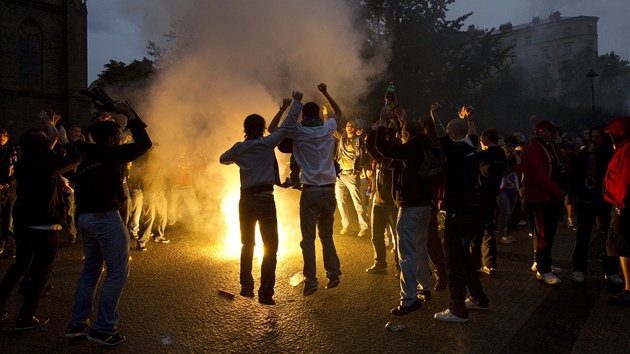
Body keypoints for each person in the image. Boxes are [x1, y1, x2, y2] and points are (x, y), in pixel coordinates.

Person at [66, 100, 152, 346]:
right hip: (105, 219)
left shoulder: (86, 154)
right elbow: (144, 143)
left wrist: (100, 120)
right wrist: (131, 114)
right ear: (114, 139)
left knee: (91, 270)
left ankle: (77, 323)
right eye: (118, 135)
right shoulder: (111, 154)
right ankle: (103, 328)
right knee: (116, 272)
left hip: (85, 219)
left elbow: (82, 137)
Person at [0, 111, 81, 330]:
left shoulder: (24, 164)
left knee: (20, 264)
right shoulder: (46, 165)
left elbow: (42, 150)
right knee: (42, 271)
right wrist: (63, 138)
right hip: (44, 222)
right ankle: (26, 316)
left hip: (23, 220)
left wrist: (50, 126)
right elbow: (76, 157)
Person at [221, 92, 302, 305]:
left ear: (245, 129)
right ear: (263, 128)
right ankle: (265, 294)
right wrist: (295, 103)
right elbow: (287, 126)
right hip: (265, 199)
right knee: (270, 247)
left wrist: (238, 160)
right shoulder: (267, 143)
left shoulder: (239, 147)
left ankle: (246, 287)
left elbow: (223, 159)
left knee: (247, 245)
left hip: (246, 200)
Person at [270, 83, 342, 296]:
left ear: (302, 115)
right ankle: (334, 273)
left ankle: (311, 280)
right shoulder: (328, 128)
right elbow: (338, 112)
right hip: (329, 190)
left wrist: (285, 108)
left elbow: (273, 130)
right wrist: (325, 92)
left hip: (310, 191)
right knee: (327, 236)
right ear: (319, 114)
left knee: (308, 238)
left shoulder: (298, 131)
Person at [431, 104, 490, 323]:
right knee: (463, 258)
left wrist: (434, 114)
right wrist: (470, 119)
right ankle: (478, 298)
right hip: (470, 210)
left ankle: (457, 309)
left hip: (457, 213)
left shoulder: (455, 151)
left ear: (453, 133)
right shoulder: (471, 146)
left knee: (454, 262)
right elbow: (472, 134)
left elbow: (443, 137)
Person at [375, 108, 436, 316]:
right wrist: (403, 122)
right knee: (420, 248)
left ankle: (409, 299)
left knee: (406, 254)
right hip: (425, 205)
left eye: (403, 134)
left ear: (407, 135)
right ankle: (424, 287)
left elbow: (383, 147)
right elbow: (409, 143)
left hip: (410, 206)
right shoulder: (429, 146)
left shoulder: (411, 149)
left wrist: (383, 123)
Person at [521, 120, 571, 285]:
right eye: (551, 131)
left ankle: (544, 263)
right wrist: (557, 190)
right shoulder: (532, 150)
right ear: (541, 132)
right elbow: (537, 174)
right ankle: (543, 269)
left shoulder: (552, 148)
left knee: (547, 233)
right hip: (541, 198)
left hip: (552, 197)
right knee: (543, 234)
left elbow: (565, 166)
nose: (555, 134)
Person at [571, 125, 618, 283]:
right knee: (583, 236)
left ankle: (611, 270)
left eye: (598, 136)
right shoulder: (585, 153)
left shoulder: (610, 153)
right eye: (593, 137)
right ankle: (578, 268)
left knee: (609, 237)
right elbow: (577, 174)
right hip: (587, 200)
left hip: (605, 201)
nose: (595, 139)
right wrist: (578, 195)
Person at [470, 129, 507, 276]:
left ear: (486, 138)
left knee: (476, 232)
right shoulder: (502, 156)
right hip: (493, 195)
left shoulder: (483, 156)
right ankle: (491, 264)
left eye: (481, 138)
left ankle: (474, 264)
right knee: (489, 229)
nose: (480, 141)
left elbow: (484, 171)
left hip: (480, 195)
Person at [603, 116, 630, 306]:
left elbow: (624, 182)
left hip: (624, 208)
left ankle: (629, 289)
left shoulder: (626, 151)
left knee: (624, 248)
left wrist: (620, 205)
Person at [333, 120, 371, 237]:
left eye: (352, 126)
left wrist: (358, 171)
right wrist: (325, 115)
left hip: (352, 174)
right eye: (348, 125)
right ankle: (346, 225)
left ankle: (364, 226)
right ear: (345, 127)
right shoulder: (342, 138)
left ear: (355, 128)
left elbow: (363, 156)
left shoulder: (358, 140)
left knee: (357, 201)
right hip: (340, 174)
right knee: (340, 201)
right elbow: (332, 130)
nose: (350, 127)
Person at [0, 129, 18, 257]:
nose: (2, 137)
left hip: (10, 189)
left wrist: (9, 182)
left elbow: (16, 169)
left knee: (9, 220)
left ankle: (10, 248)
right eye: (0, 135)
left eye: (5, 135)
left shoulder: (12, 152)